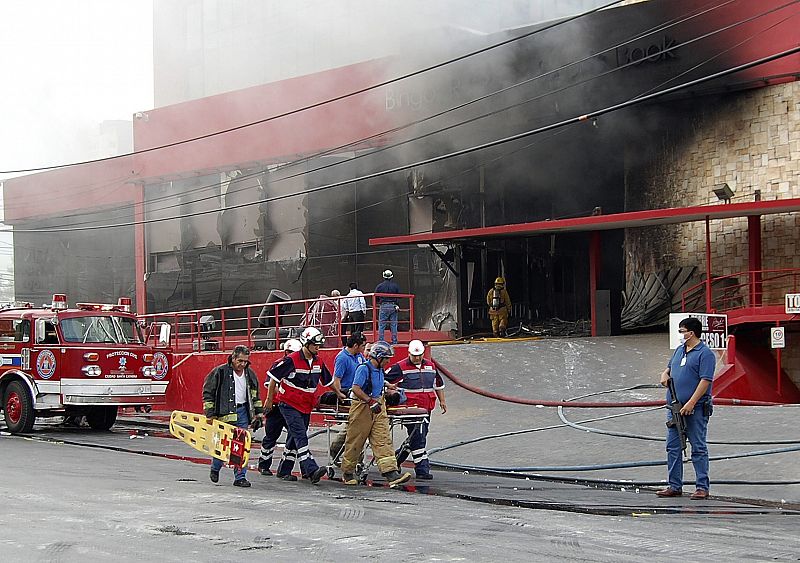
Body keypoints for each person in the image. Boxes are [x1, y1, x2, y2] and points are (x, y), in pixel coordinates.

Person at [656, 317, 716, 500]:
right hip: (674, 408)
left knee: (698, 446)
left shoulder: (705, 354)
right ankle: (674, 485)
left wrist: (691, 403)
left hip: (695, 408)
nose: (681, 335)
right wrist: (664, 375)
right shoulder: (679, 351)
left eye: (682, 331)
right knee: (672, 446)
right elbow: (668, 369)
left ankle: (702, 487)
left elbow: (705, 380)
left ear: (692, 332)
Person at [264, 327, 332, 484]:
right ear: (306, 344)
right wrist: (268, 400)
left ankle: (284, 470)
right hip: (288, 404)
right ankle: (311, 469)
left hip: (305, 406)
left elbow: (328, 381)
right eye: (315, 345)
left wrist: (340, 394)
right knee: (299, 435)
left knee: (294, 439)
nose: (318, 348)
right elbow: (272, 378)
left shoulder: (318, 361)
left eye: (319, 346)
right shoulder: (291, 360)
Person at [340, 341, 411, 487]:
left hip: (378, 406)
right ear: (378, 357)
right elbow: (356, 388)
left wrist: (387, 385)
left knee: (383, 439)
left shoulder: (378, 369)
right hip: (362, 407)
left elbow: (377, 381)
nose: (388, 361)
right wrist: (369, 401)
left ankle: (391, 474)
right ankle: (347, 472)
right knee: (356, 440)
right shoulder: (363, 369)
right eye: (386, 358)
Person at [202, 345, 264, 488]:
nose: (242, 364)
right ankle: (216, 467)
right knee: (221, 445)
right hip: (224, 413)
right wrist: (210, 414)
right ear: (233, 358)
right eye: (240, 361)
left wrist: (258, 415)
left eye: (245, 362)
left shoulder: (250, 374)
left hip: (242, 412)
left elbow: (255, 395)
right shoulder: (220, 372)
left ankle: (240, 477)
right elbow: (208, 393)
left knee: (240, 446)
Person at [385, 339, 446, 480]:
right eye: (414, 356)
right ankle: (422, 469)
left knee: (417, 435)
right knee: (418, 437)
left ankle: (397, 459)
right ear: (409, 354)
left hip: (426, 408)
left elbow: (438, 385)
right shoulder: (400, 367)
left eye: (420, 355)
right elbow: (383, 379)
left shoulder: (431, 366)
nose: (417, 358)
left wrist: (442, 401)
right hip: (409, 409)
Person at [258, 338, 302, 477]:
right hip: (277, 406)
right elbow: (269, 384)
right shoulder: (279, 365)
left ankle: (285, 470)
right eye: (289, 352)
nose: (291, 355)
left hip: (292, 407)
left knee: (294, 437)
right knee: (271, 436)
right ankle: (263, 465)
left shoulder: (301, 366)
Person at [375, 269, 401, 345]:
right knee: (393, 324)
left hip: (384, 305)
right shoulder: (395, 286)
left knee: (382, 325)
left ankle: (381, 341)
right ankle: (394, 341)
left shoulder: (380, 286)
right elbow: (399, 296)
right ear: (391, 277)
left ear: (384, 276)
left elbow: (376, 297)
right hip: (393, 306)